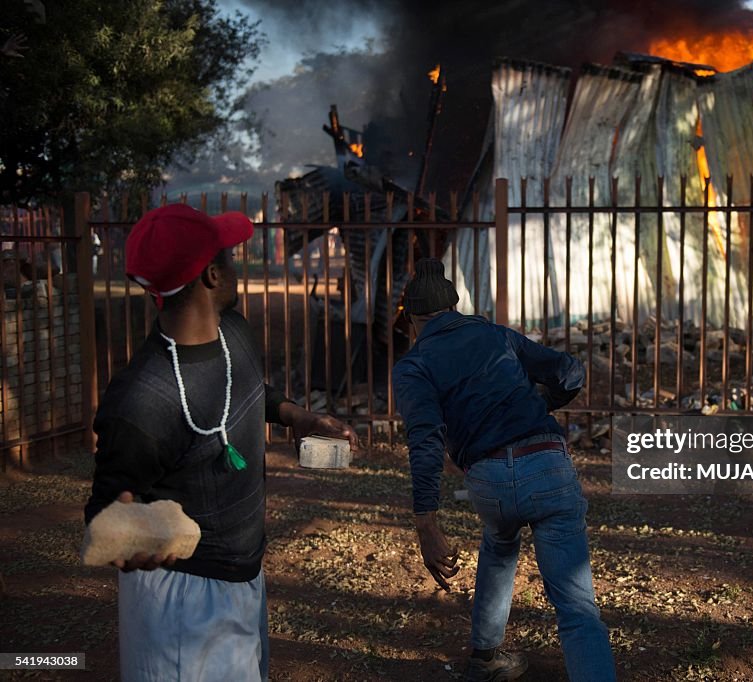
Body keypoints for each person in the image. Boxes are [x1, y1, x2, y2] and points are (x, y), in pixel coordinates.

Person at [84, 203, 357, 682]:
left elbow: (246, 384)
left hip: (244, 571)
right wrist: (131, 538)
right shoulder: (143, 400)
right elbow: (106, 514)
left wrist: (296, 414)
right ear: (212, 275)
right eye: (229, 257)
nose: (236, 264)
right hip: (183, 603)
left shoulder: (233, 331)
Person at [392, 258, 616, 682]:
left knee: (499, 540)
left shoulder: (413, 365)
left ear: (412, 319)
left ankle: (485, 658)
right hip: (546, 465)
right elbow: (569, 372)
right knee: (576, 608)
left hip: (490, 482)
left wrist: (427, 523)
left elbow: (425, 440)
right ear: (454, 305)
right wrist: (538, 406)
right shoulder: (494, 335)